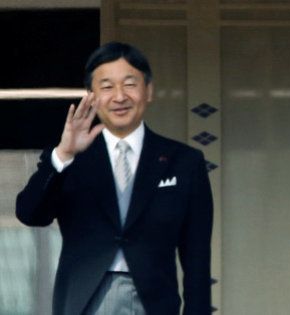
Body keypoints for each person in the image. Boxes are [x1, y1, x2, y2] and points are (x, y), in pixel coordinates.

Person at [16, 42, 213, 315]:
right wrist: (63, 155)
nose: (119, 96)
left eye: (129, 84)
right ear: (92, 96)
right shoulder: (70, 157)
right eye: (107, 87)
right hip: (85, 300)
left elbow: (197, 258)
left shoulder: (185, 161)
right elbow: (30, 214)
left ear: (149, 91)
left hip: (155, 301)